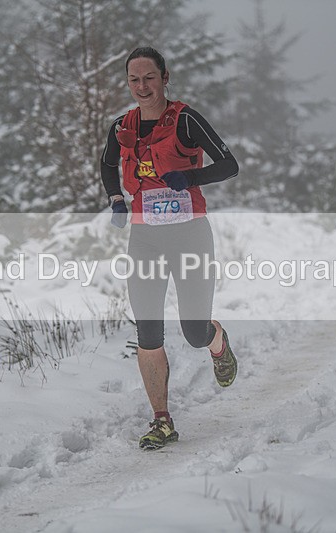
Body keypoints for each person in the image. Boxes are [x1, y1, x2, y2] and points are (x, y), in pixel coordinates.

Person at [100, 46, 239, 450]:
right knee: (148, 332)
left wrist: (190, 176)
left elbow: (229, 165)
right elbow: (109, 164)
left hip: (189, 234)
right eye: (134, 79)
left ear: (165, 77)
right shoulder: (121, 126)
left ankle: (217, 343)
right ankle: (161, 420)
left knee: (194, 332)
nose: (142, 87)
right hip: (144, 238)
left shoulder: (186, 119)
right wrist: (116, 199)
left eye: (149, 77)